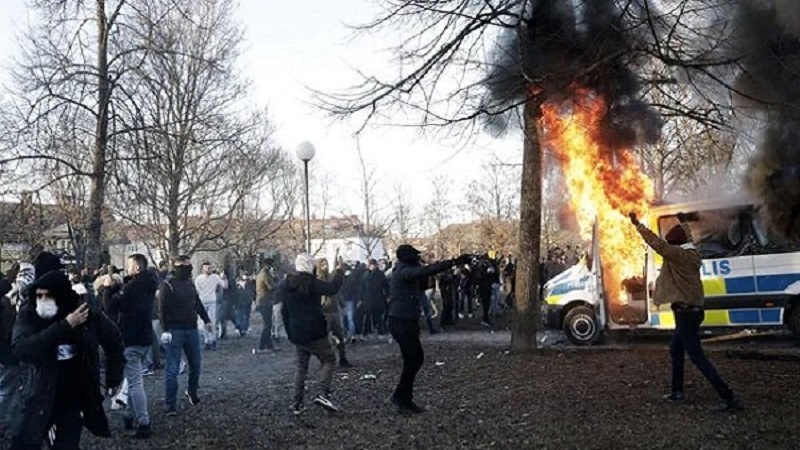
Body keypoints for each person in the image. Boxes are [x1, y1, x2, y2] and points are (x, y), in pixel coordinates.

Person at [630, 212, 740, 412]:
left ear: (676, 246)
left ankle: (728, 396)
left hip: (686, 314)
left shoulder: (679, 256)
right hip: (691, 311)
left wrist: (639, 225)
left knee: (697, 356)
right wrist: (683, 222)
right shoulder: (691, 251)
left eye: (672, 244)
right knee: (676, 348)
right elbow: (687, 236)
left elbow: (657, 244)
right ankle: (677, 392)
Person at [10, 269, 125, 449]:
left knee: (67, 442)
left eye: (47, 296)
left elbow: (114, 340)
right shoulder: (31, 312)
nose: (42, 301)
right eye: (39, 296)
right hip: (39, 389)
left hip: (75, 389)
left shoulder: (85, 312)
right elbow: (21, 349)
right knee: (26, 441)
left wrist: (113, 377)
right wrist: (65, 325)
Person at [388, 245, 471, 414]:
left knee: (414, 360)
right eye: (416, 256)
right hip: (401, 321)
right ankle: (401, 398)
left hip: (405, 321)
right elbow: (425, 272)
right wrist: (453, 262)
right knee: (414, 359)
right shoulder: (404, 271)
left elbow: (425, 274)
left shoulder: (405, 269)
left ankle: (402, 397)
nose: (418, 258)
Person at [102, 254, 158, 439]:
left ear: (137, 267)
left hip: (131, 337)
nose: (126, 269)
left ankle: (144, 422)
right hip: (144, 337)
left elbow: (110, 306)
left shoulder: (133, 287)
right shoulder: (148, 284)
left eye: (129, 266)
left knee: (134, 383)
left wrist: (108, 289)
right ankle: (129, 416)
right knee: (135, 379)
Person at [281, 254, 344, 415]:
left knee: (301, 367)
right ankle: (323, 393)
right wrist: (339, 271)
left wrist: (290, 333)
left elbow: (284, 311)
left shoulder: (286, 284)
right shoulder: (312, 283)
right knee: (329, 359)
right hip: (315, 331)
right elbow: (332, 289)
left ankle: (297, 404)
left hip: (297, 333)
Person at [159, 256, 213, 416]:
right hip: (174, 330)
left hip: (191, 329)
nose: (188, 269)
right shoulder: (167, 285)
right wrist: (165, 330)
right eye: (185, 266)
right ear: (176, 268)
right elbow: (162, 309)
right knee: (172, 369)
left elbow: (196, 303)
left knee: (196, 364)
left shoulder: (189, 284)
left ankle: (192, 391)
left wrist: (206, 320)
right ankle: (170, 404)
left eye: (189, 266)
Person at [317, 258, 350, 366]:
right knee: (324, 338)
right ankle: (325, 360)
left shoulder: (330, 277)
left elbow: (336, 291)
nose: (325, 266)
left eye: (326, 263)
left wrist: (341, 304)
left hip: (334, 310)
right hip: (324, 312)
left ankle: (342, 357)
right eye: (322, 264)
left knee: (340, 335)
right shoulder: (318, 279)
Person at [194, 262, 227, 351]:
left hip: (212, 301)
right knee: (204, 322)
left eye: (210, 268)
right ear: (203, 269)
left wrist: (224, 278)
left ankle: (212, 340)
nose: (209, 270)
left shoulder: (215, 277)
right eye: (207, 268)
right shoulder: (199, 279)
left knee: (211, 322)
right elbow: (197, 291)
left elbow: (224, 286)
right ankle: (207, 340)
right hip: (202, 302)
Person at [359, 259, 389, 337]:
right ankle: (365, 333)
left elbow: (386, 286)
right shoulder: (365, 274)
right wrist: (360, 298)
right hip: (368, 298)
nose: (373, 266)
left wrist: (387, 296)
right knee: (367, 317)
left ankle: (380, 332)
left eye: (374, 265)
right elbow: (362, 287)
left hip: (377, 298)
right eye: (371, 265)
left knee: (378, 316)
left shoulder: (379, 274)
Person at [254, 264, 277, 354]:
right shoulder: (265, 275)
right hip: (265, 302)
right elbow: (271, 287)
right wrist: (279, 284)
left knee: (268, 324)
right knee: (267, 325)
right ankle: (262, 345)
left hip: (262, 301)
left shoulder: (261, 274)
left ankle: (269, 345)